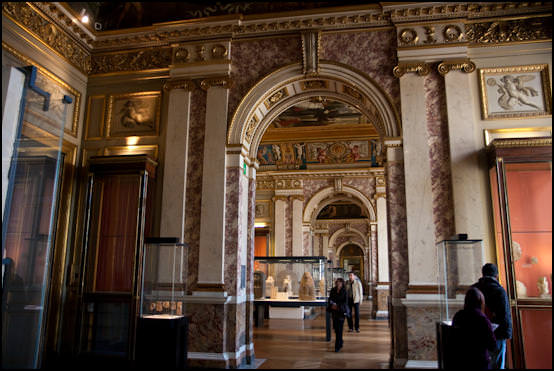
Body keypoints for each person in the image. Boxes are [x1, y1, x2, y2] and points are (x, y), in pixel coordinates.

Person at [472, 263, 512, 369]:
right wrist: (506, 333)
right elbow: (504, 315)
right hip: (497, 334)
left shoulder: (475, 288)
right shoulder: (499, 290)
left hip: (477, 333)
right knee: (497, 364)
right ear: (496, 275)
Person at [451, 287, 497, 370]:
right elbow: (492, 345)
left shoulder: (458, 315)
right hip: (479, 360)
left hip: (462, 359)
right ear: (480, 301)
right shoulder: (482, 318)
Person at [327, 277, 350, 352]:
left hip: (341, 312)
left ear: (342, 283)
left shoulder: (344, 291)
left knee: (340, 329)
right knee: (336, 329)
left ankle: (337, 346)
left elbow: (345, 302)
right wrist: (332, 304)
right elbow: (330, 299)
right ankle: (340, 341)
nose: (338, 284)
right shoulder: (333, 290)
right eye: (337, 282)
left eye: (340, 283)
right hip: (334, 312)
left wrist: (338, 306)